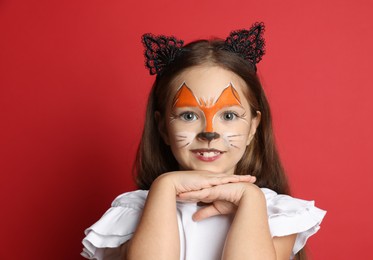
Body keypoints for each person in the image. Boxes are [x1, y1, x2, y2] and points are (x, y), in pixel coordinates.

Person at [81, 22, 326, 260]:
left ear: (253, 126)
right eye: (189, 116)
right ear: (163, 127)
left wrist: (250, 198)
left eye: (229, 116)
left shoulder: (274, 213)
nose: (209, 133)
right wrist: (165, 187)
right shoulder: (134, 211)